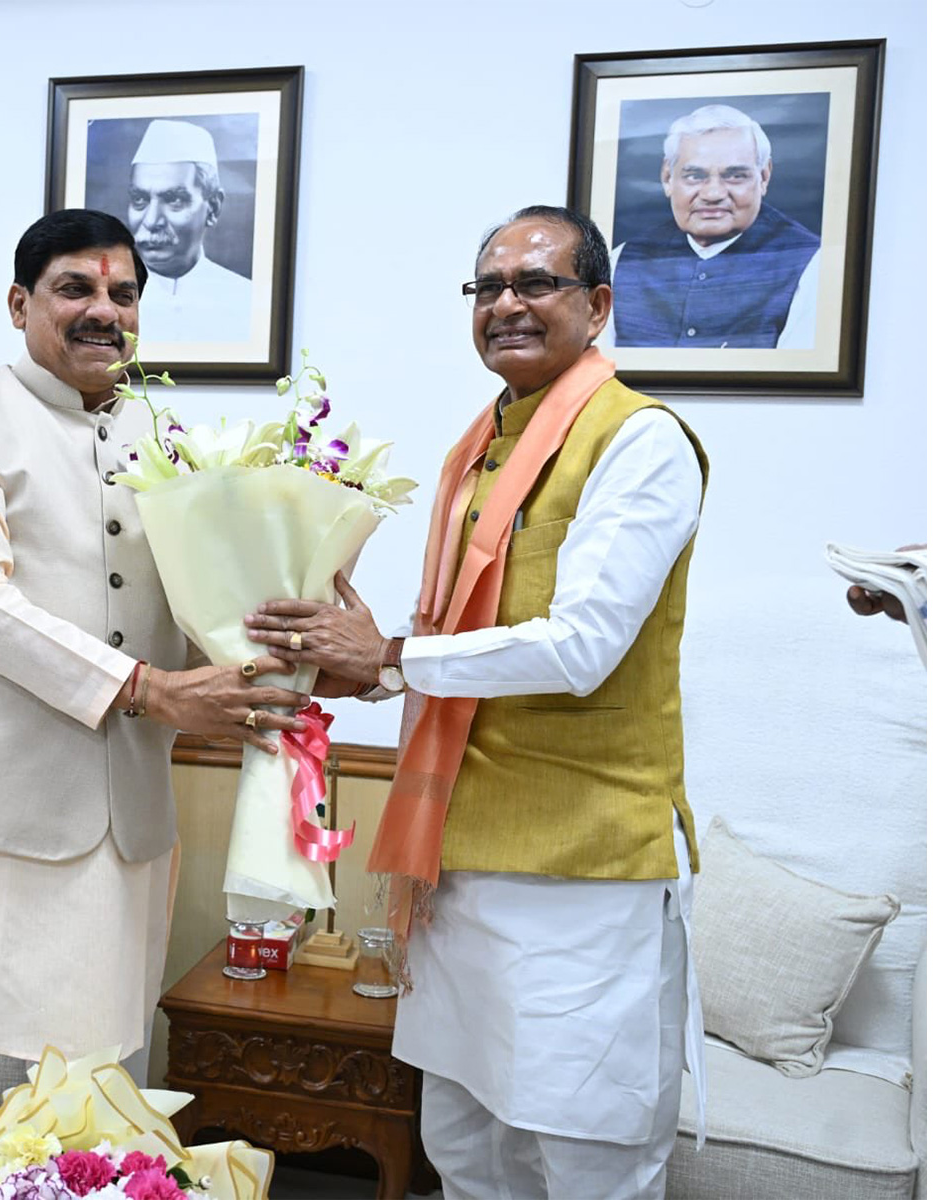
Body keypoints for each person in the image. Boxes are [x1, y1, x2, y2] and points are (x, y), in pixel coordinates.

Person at [0, 208, 309, 1200]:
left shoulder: (165, 434)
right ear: (20, 304)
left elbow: (204, 598)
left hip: (117, 823)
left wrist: (305, 626)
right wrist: (148, 688)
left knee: (106, 1087)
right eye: (76, 290)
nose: (104, 312)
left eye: (123, 294)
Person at [245, 205, 710, 1199]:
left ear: (597, 304)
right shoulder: (479, 452)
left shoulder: (639, 443)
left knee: (584, 1154)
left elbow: (581, 647)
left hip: (575, 875)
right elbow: (448, 645)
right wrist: (358, 668)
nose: (507, 303)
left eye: (535, 283)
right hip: (453, 862)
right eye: (488, 286)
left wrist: (395, 656)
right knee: (464, 1149)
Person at [603, 103, 821, 350]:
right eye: (695, 176)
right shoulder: (622, 261)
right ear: (667, 178)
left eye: (735, 176)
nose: (713, 193)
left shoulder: (812, 265)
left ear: (763, 177)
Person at [124, 118, 252, 343]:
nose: (152, 221)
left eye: (173, 200)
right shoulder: (105, 304)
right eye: (140, 199)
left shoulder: (248, 300)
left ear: (213, 207)